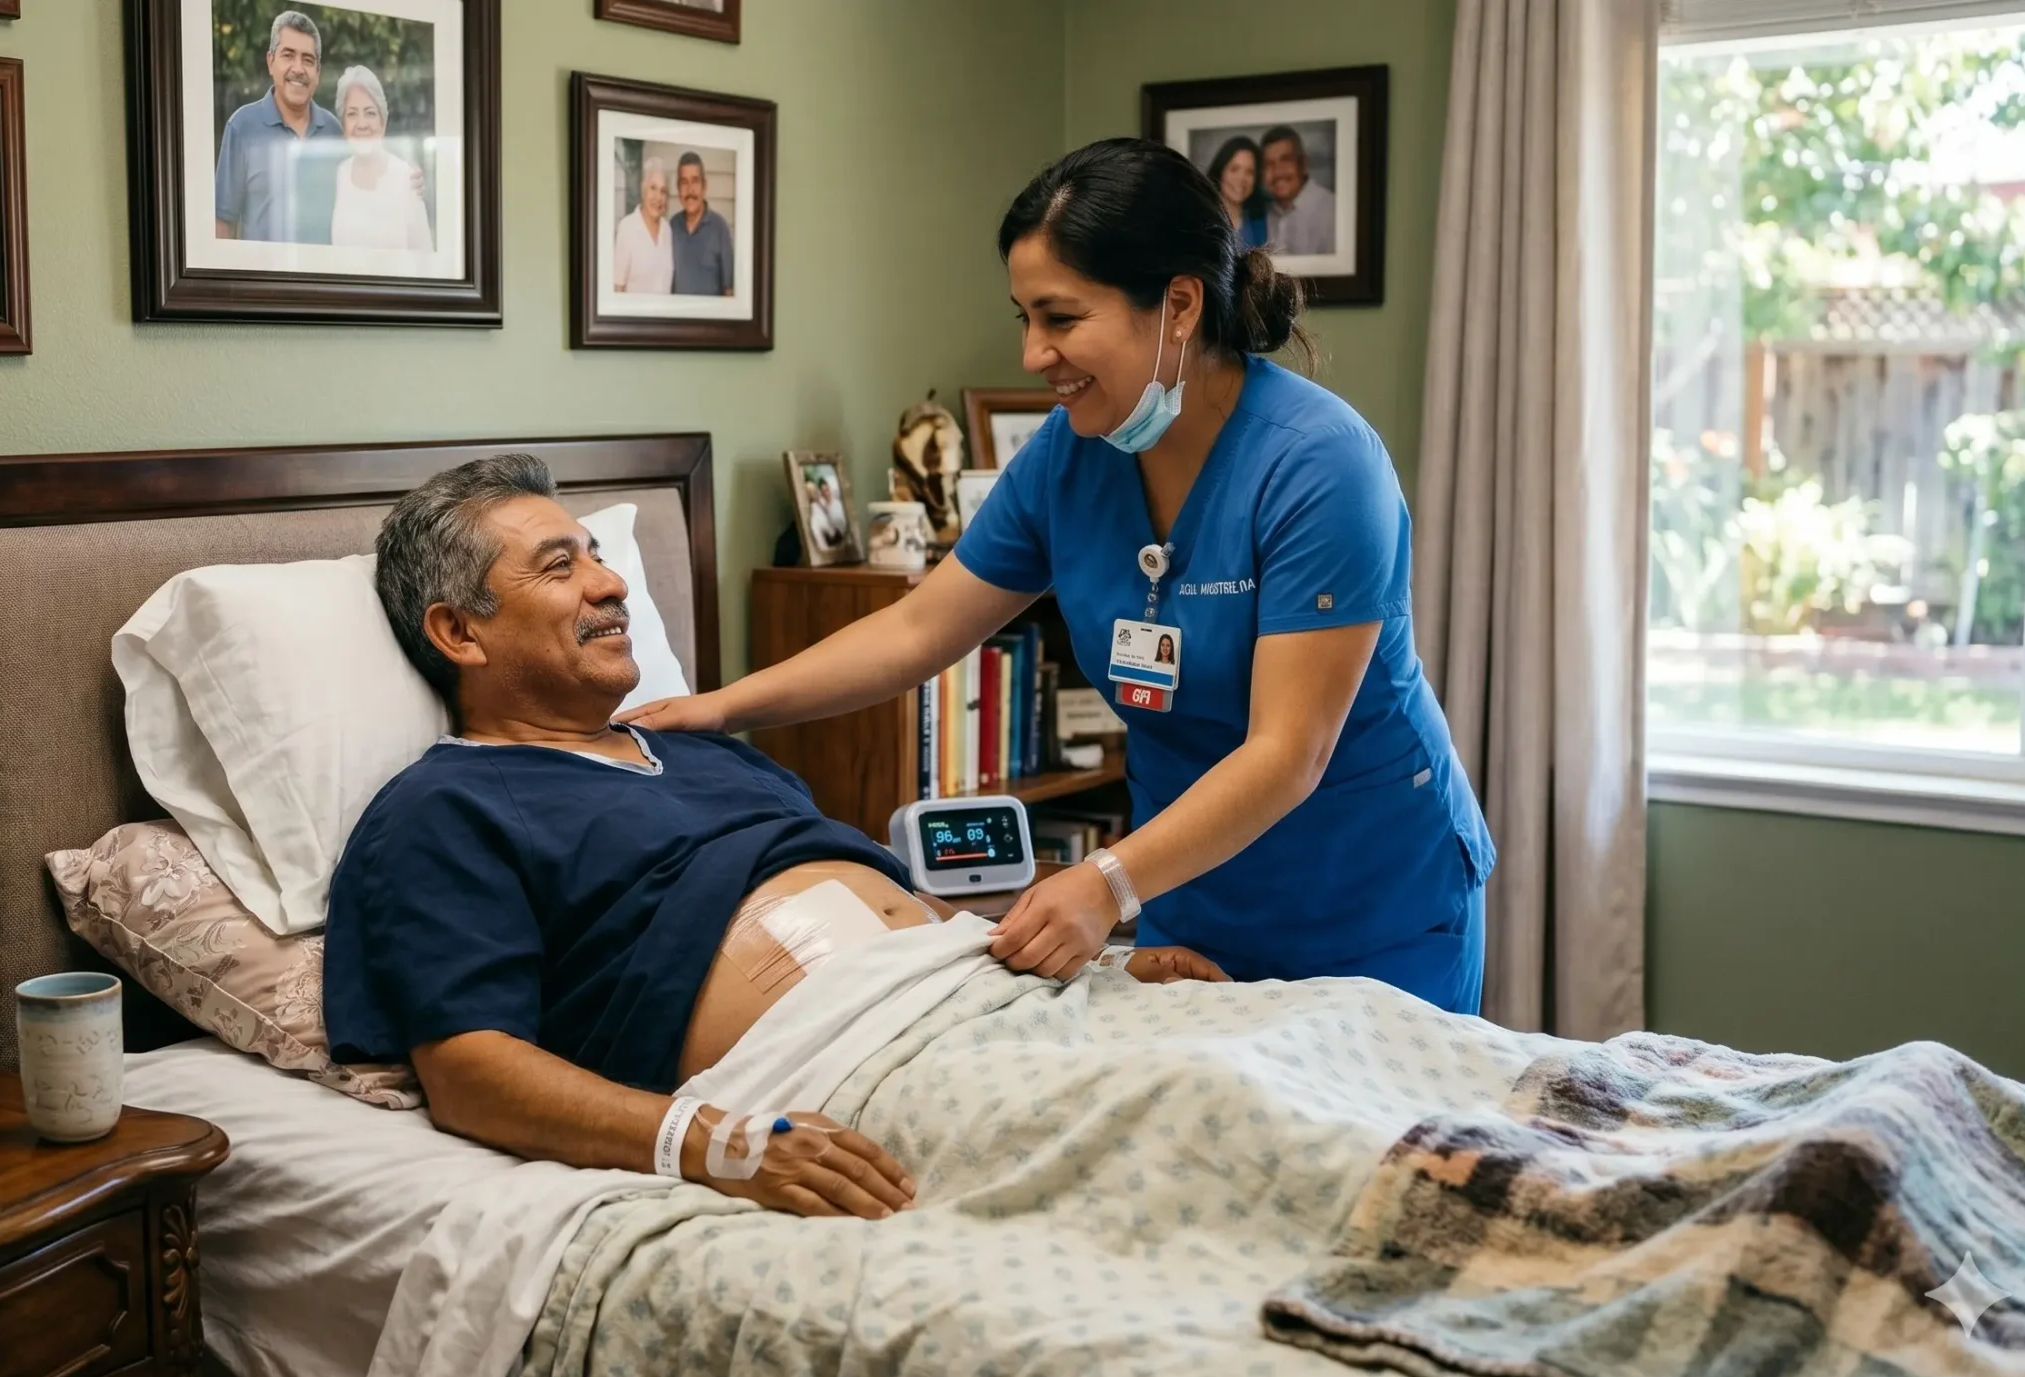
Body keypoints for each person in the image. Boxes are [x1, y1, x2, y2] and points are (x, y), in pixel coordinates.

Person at [626, 138, 1495, 1012]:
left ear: (1180, 305)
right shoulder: (1070, 456)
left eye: (1062, 318)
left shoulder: (1321, 466)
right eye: (1025, 319)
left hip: (1367, 897)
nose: (1034, 353)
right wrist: (722, 709)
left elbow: (1287, 752)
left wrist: (1106, 882)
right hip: (1187, 888)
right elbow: (917, 629)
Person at [323, 456, 1220, 1219]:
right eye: (560, 567)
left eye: (598, 554)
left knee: (1263, 1062)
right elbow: (470, 1073)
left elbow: (890, 909)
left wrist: (1094, 966)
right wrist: (714, 1143)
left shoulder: (702, 750)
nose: (610, 583)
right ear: (458, 632)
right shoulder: (443, 807)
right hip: (852, 1065)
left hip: (989, 1002)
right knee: (1199, 1133)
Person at [215, 10, 343, 244]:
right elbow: (223, 223)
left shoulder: (334, 131)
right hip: (260, 269)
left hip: (322, 268)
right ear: (270, 62)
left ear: (318, 72)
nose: (298, 68)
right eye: (288, 55)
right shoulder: (241, 127)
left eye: (308, 59)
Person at [328, 64, 434, 258]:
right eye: (352, 114)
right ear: (343, 124)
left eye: (370, 113)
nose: (362, 124)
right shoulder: (338, 174)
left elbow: (425, 258)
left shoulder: (408, 178)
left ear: (383, 122)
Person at [1261, 125, 1337, 257]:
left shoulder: (1332, 211)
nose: (1278, 172)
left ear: (1303, 163)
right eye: (1269, 164)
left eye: (1285, 160)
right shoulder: (1264, 214)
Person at [668, 152, 733, 296]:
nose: (690, 190)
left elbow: (728, 290)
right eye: (684, 182)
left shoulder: (720, 228)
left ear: (704, 186)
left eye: (695, 181)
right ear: (678, 188)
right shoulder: (671, 227)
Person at [613, 156, 674, 295]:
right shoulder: (627, 228)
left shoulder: (667, 230)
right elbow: (618, 287)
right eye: (653, 188)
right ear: (643, 189)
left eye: (663, 191)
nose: (658, 197)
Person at [1205, 135, 1269, 249]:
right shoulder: (1202, 220)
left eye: (1249, 172)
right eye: (1234, 169)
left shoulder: (1262, 222)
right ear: (1220, 172)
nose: (1241, 179)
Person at [806, 470, 849, 550]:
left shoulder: (837, 503)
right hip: (830, 537)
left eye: (827, 490)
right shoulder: (816, 507)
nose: (826, 493)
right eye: (823, 491)